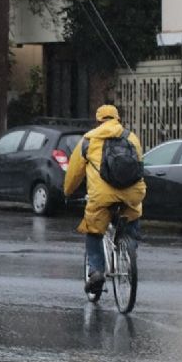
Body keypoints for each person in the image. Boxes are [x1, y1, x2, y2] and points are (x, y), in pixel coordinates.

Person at [63, 105, 146, 295]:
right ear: (117, 119)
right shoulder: (131, 137)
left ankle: (97, 271)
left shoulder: (89, 140)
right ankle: (130, 251)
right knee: (132, 218)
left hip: (101, 197)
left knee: (93, 230)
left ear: (98, 120)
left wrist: (67, 192)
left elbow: (74, 173)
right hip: (132, 194)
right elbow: (139, 165)